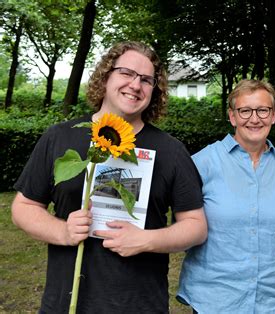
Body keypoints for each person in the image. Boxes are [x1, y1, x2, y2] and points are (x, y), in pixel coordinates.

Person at [11, 41, 207, 313]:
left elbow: (196, 226)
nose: (136, 85)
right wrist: (63, 232)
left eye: (146, 80)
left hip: (141, 304)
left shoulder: (171, 151)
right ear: (105, 76)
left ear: (155, 90)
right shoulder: (59, 137)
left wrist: (147, 239)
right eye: (126, 73)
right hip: (67, 303)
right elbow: (23, 207)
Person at [177, 79, 275, 313]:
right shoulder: (201, 163)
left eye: (263, 110)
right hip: (215, 299)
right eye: (245, 111)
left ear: (273, 116)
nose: (254, 119)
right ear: (232, 117)